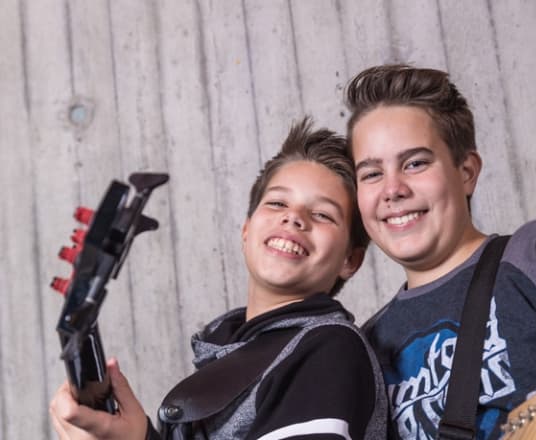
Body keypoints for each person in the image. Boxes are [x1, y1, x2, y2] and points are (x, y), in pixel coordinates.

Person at [344, 64, 536, 439]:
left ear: (466, 171)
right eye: (371, 174)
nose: (392, 190)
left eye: (415, 163)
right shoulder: (365, 345)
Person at [49, 117, 388, 440]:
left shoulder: (328, 350)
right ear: (246, 230)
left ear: (350, 260)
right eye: (277, 203)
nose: (293, 218)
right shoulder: (226, 352)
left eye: (322, 214)